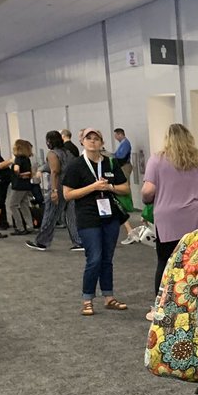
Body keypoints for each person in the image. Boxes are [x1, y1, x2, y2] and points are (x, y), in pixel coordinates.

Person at [141, 124, 198, 312]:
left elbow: (148, 190)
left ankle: (161, 305)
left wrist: (146, 199)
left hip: (171, 220)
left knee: (166, 262)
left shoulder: (157, 160)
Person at [61, 128, 130, 316]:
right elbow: (67, 194)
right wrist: (93, 187)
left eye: (96, 139)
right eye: (88, 138)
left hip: (110, 216)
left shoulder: (110, 163)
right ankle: (87, 299)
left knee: (107, 258)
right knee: (95, 258)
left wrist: (109, 187)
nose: (92, 142)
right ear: (82, 142)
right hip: (88, 216)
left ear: (102, 142)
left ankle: (109, 297)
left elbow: (125, 188)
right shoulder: (76, 165)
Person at [27, 131, 82, 251]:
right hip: (71, 187)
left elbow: (55, 172)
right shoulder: (68, 153)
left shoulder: (52, 154)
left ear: (49, 141)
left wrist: (54, 190)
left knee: (50, 214)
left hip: (59, 187)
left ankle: (42, 242)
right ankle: (79, 241)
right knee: (71, 215)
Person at [111, 128, 140, 245]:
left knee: (125, 187)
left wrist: (113, 156)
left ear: (120, 134)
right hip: (123, 166)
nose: (115, 137)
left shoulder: (125, 143)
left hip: (125, 166)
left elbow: (121, 156)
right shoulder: (123, 144)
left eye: (115, 135)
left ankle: (127, 206)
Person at [7, 139, 36, 235]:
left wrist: (18, 175)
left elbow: (16, 169)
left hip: (18, 185)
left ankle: (20, 227)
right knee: (24, 205)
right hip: (26, 185)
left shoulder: (18, 159)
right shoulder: (26, 159)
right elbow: (29, 172)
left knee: (13, 205)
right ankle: (30, 225)